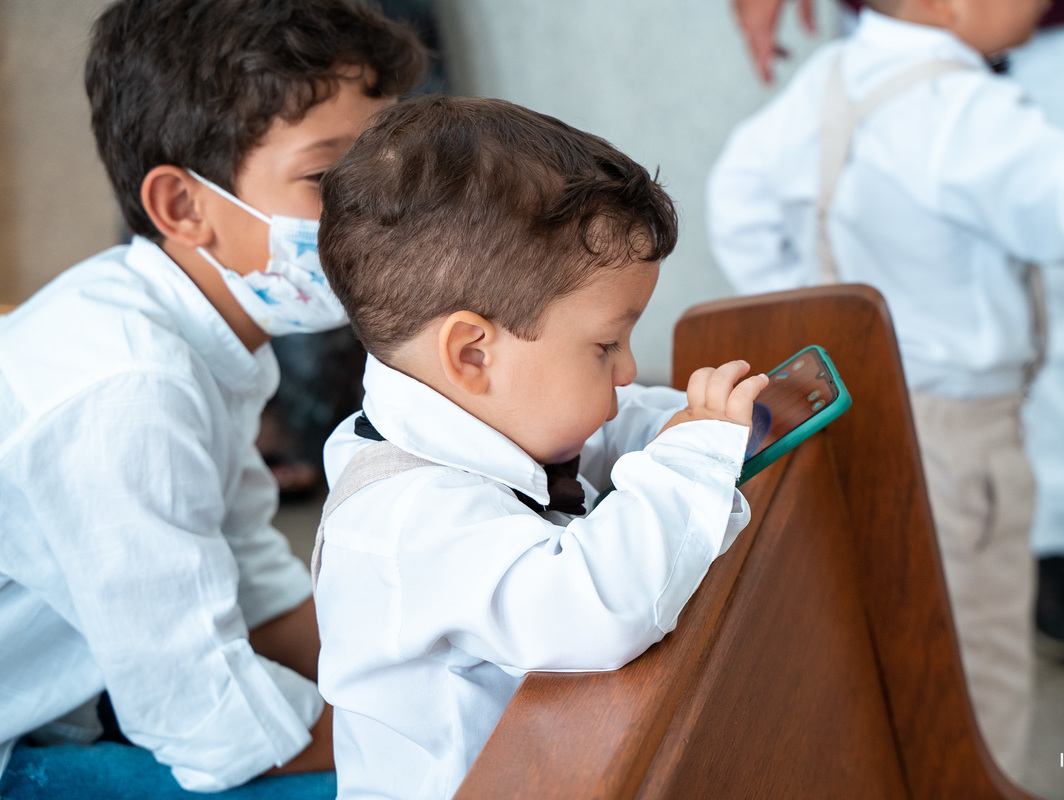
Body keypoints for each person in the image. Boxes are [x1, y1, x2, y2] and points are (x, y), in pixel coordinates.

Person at [707, 0, 1064, 782]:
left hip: (868, 404)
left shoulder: (835, 74)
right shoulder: (966, 113)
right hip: (965, 435)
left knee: (897, 615)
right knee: (983, 655)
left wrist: (814, 312)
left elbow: (736, 194)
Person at [0, 0, 424, 795]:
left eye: (384, 166)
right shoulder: (130, 391)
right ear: (184, 207)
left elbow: (254, 585)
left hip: (100, 691)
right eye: (329, 177)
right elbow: (210, 724)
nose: (383, 209)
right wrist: (434, 721)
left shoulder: (208, 335)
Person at [312, 95, 767, 800]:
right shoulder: (407, 518)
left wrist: (693, 425)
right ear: (472, 352)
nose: (626, 369)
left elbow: (607, 430)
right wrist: (691, 464)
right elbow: (595, 607)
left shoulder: (461, 416)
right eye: (605, 345)